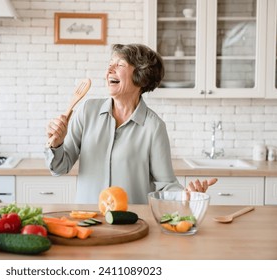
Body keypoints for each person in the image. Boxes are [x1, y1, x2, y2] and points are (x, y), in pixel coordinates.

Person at [45, 43, 217, 204]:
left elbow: (166, 184)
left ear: (140, 77)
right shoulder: (87, 111)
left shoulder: (153, 127)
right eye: (110, 64)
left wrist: (185, 195)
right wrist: (57, 144)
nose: (109, 70)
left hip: (132, 224)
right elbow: (59, 168)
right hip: (88, 222)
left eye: (120, 65)